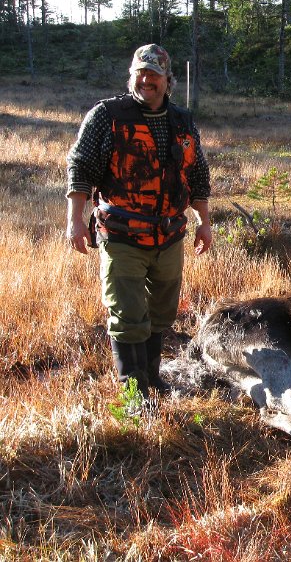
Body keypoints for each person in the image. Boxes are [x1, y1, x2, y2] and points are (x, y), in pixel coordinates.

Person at [65, 44, 212, 396]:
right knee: (127, 314)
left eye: (154, 75)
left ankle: (150, 376)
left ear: (167, 80)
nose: (147, 80)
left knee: (162, 313)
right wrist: (75, 220)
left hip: (170, 236)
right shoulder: (107, 115)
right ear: (131, 75)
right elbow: (80, 167)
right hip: (121, 236)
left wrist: (204, 221)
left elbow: (197, 175)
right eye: (140, 73)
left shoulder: (182, 121)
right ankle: (134, 393)